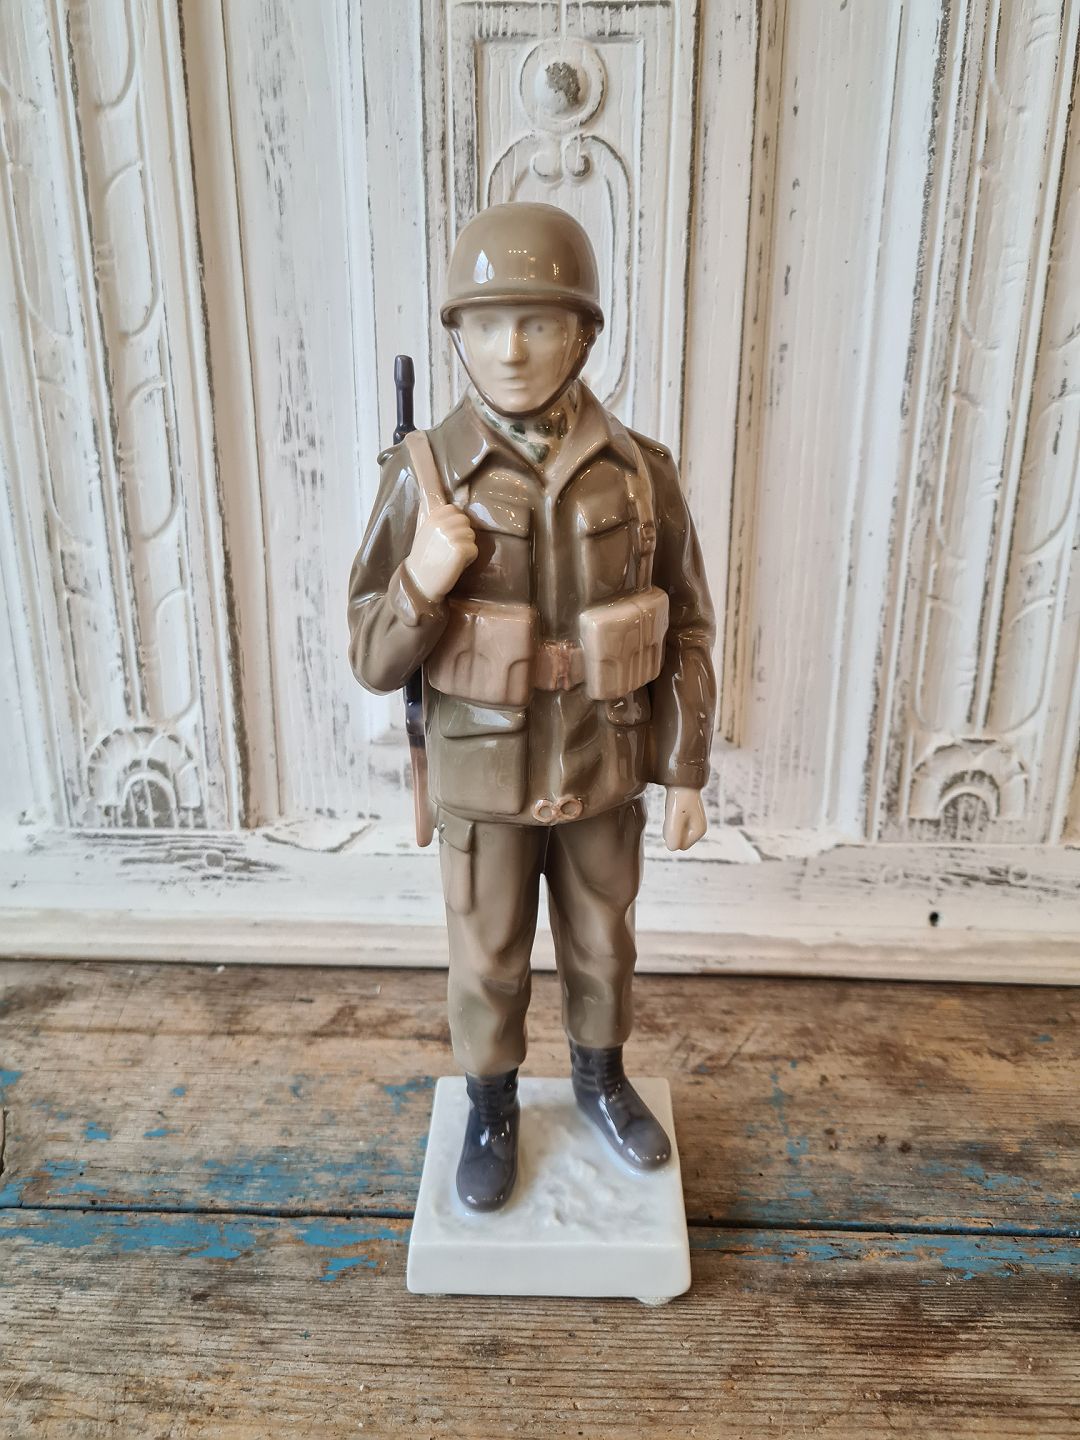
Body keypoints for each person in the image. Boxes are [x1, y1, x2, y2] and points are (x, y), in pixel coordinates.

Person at [348, 201, 716, 1210]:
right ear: (457, 336)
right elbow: (371, 653)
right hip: (483, 774)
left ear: (583, 334)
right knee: (487, 956)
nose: (509, 349)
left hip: (604, 761)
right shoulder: (423, 479)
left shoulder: (641, 475)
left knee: (605, 940)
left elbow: (687, 625)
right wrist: (421, 579)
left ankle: (602, 1080)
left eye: (538, 322)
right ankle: (491, 1106)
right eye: (484, 323)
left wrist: (686, 770)